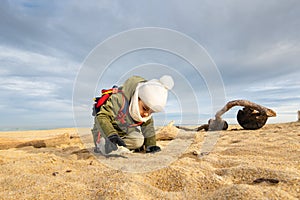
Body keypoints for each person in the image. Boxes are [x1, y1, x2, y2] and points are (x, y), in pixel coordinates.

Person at [91, 75, 174, 155]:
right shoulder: (118, 99)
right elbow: (102, 117)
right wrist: (111, 135)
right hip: (105, 132)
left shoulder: (146, 114)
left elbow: (148, 126)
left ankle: (119, 145)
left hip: (123, 133)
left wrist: (151, 145)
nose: (146, 114)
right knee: (106, 146)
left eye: (151, 112)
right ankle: (104, 146)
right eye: (145, 108)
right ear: (137, 97)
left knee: (139, 140)